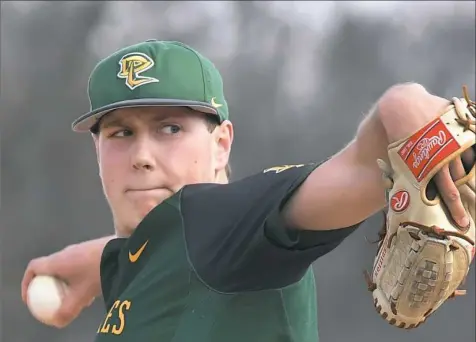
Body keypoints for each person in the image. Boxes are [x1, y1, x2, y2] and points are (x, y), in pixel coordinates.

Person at [21, 40, 474, 341]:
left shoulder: (213, 221)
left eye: (170, 128)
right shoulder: (161, 249)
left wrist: (403, 104)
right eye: (121, 134)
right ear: (96, 151)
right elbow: (161, 250)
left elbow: (361, 166)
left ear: (221, 146)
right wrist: (99, 261)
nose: (141, 155)